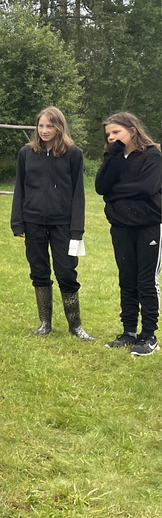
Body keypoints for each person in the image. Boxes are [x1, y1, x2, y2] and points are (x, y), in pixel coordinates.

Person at [10, 107, 93, 340]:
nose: (45, 130)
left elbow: (78, 193)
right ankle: (45, 323)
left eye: (50, 125)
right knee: (39, 271)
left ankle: (75, 325)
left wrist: (77, 229)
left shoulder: (73, 154)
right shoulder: (26, 153)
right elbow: (20, 189)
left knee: (66, 272)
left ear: (60, 127)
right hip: (33, 221)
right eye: (41, 125)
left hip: (63, 224)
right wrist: (18, 223)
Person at [95, 112, 162, 357]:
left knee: (146, 281)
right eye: (108, 134)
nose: (111, 137)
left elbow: (147, 187)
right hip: (121, 226)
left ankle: (149, 335)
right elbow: (101, 187)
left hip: (148, 226)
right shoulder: (114, 158)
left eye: (117, 132)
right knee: (127, 279)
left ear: (132, 130)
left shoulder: (152, 155)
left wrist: (114, 193)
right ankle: (129, 332)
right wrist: (111, 156)